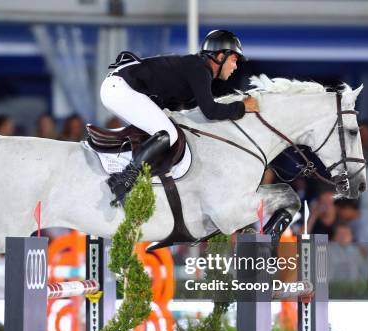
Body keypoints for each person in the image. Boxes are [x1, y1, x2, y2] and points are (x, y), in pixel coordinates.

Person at [100, 30, 259, 205]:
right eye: (234, 60)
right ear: (220, 56)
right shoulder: (200, 69)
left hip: (120, 87)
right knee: (168, 133)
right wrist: (242, 106)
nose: (236, 67)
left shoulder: (197, 68)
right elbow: (211, 111)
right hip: (121, 88)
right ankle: (124, 180)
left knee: (166, 129)